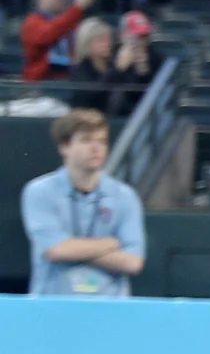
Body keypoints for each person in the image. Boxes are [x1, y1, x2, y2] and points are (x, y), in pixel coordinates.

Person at [21, 109, 145, 296]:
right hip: (52, 307)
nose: (96, 148)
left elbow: (133, 262)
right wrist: (110, 244)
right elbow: (56, 250)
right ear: (64, 147)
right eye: (86, 140)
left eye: (102, 141)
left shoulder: (125, 196)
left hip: (110, 310)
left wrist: (75, 250)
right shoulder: (39, 191)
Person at [21, 0, 95, 80]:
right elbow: (48, 35)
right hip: (43, 81)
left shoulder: (70, 20)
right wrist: (77, 8)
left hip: (70, 77)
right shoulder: (32, 22)